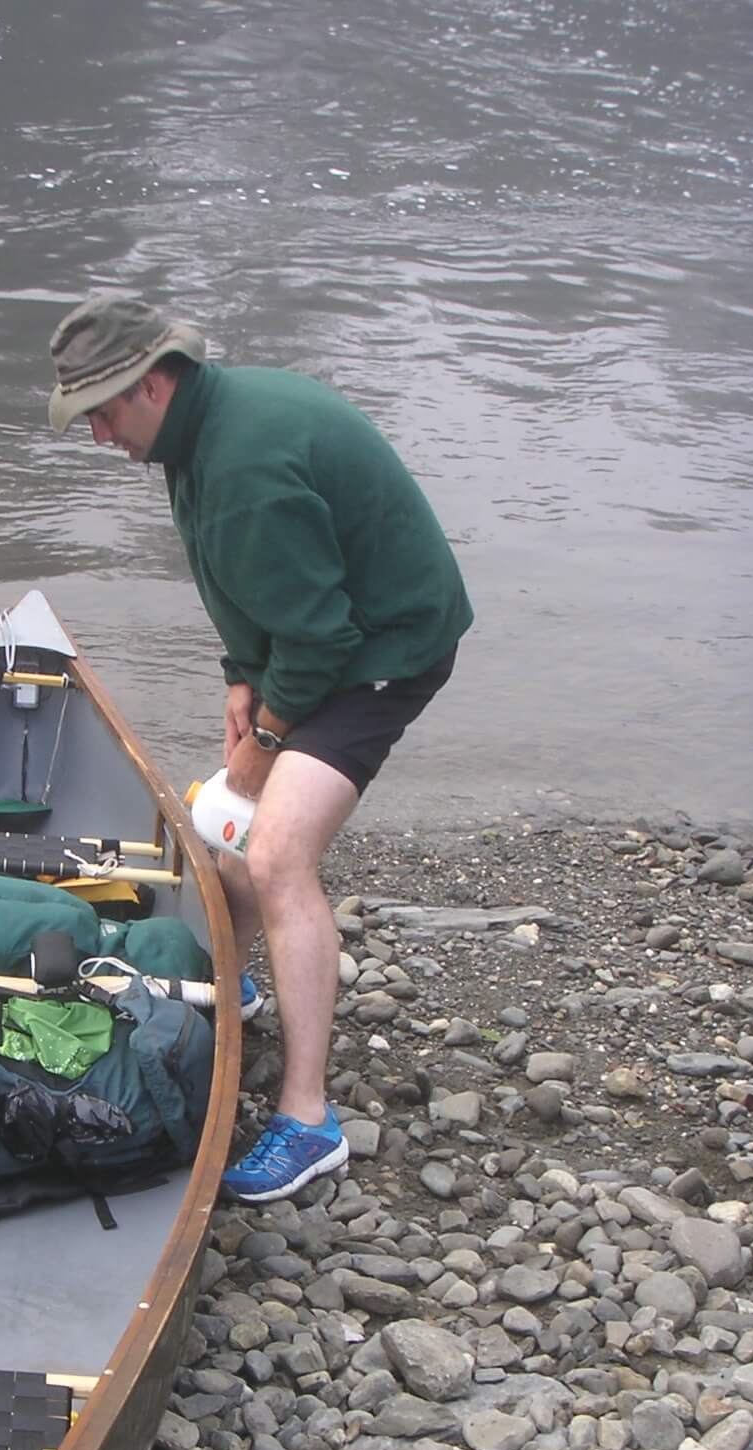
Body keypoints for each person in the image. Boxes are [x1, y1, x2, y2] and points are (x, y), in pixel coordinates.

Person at [48, 291, 473, 1204]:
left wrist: (268, 738)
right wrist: (244, 674)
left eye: (104, 412)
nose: (98, 437)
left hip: (386, 648)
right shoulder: (197, 430)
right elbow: (238, 574)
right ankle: (233, 988)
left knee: (275, 852)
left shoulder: (244, 460)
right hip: (326, 640)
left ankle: (309, 1121)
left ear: (154, 383)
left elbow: (321, 638)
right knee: (227, 820)